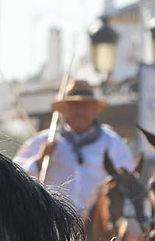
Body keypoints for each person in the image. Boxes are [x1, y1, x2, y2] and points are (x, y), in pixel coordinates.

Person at [14, 79, 134, 211]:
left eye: (85, 106)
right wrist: (39, 160)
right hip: (55, 223)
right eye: (75, 106)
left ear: (95, 109)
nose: (80, 112)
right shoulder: (44, 140)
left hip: (97, 226)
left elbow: (128, 184)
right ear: (64, 110)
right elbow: (14, 176)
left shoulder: (113, 143)